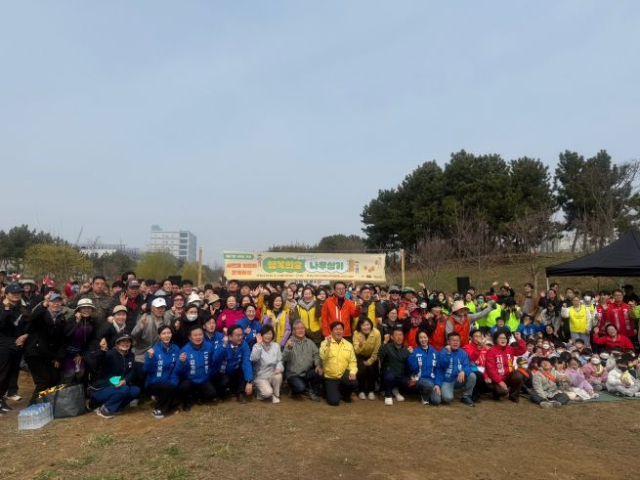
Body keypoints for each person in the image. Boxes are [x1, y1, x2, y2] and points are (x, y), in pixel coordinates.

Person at [22, 291, 67, 404]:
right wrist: (43, 304)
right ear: (48, 303)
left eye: (58, 302)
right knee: (43, 379)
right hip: (34, 352)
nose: (56, 304)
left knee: (55, 378)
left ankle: (47, 401)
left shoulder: (61, 318)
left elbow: (62, 340)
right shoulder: (41, 314)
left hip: (48, 354)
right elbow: (32, 317)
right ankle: (33, 404)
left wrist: (58, 357)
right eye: (53, 301)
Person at [90, 333, 141, 419]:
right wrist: (102, 350)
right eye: (122, 341)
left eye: (128, 341)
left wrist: (124, 381)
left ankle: (117, 408)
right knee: (124, 390)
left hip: (120, 386)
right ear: (117, 343)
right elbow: (97, 362)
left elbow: (132, 372)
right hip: (102, 388)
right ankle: (104, 409)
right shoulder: (109, 354)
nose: (125, 343)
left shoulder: (131, 355)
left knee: (136, 390)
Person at [131, 298, 172, 389]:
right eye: (158, 308)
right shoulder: (145, 319)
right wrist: (141, 326)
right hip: (142, 353)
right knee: (141, 372)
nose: (161, 310)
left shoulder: (167, 321)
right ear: (152, 308)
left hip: (159, 353)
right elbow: (133, 336)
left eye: (163, 307)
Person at [144, 325, 182, 418]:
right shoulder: (153, 350)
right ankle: (158, 410)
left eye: (169, 333)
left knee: (177, 392)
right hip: (154, 383)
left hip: (170, 381)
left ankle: (164, 401)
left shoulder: (176, 348)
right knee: (168, 388)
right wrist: (150, 358)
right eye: (164, 333)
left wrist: (174, 382)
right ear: (159, 336)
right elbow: (146, 370)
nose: (167, 335)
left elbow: (177, 369)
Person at [178, 325, 219, 410]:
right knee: (183, 388)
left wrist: (210, 374)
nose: (198, 337)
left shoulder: (209, 347)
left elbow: (213, 362)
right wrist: (182, 362)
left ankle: (199, 397)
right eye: (195, 335)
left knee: (212, 394)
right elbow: (180, 370)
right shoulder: (185, 350)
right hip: (190, 379)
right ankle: (187, 401)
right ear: (190, 337)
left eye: (200, 334)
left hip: (204, 379)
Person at [319, 322, 358, 406]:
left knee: (353, 383)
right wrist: (328, 345)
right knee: (334, 402)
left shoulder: (348, 345)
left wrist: (352, 372)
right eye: (336, 329)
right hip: (331, 377)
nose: (339, 331)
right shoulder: (325, 343)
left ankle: (345, 394)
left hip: (343, 375)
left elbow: (353, 361)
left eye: (340, 329)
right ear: (331, 331)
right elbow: (323, 357)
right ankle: (328, 389)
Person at [212, 325, 254, 403]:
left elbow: (246, 361)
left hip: (234, 371)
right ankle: (220, 394)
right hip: (221, 373)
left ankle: (240, 393)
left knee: (243, 370)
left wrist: (249, 381)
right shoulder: (223, 344)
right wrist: (223, 346)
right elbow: (215, 359)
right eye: (237, 335)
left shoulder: (244, 344)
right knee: (224, 382)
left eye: (241, 335)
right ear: (230, 337)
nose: (240, 337)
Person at [282, 320, 322, 401]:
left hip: (306, 373)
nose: (300, 330)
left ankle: (312, 391)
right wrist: (289, 348)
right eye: (298, 328)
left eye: (302, 328)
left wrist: (317, 365)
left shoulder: (310, 342)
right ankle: (294, 389)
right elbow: (284, 358)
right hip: (293, 375)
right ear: (294, 331)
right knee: (300, 387)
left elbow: (316, 354)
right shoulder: (290, 342)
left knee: (318, 372)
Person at [485, 328, 527, 402]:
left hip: (508, 376)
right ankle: (495, 391)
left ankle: (513, 395)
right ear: (496, 340)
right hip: (497, 378)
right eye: (500, 338)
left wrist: (519, 339)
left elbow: (522, 350)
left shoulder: (510, 349)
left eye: (504, 338)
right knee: (503, 392)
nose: (503, 340)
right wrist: (499, 381)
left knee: (518, 375)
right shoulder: (491, 351)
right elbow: (491, 369)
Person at [436, 332, 476, 407]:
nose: (455, 342)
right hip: (447, 380)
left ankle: (466, 396)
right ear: (448, 342)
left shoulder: (463, 353)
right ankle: (444, 390)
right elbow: (442, 366)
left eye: (457, 340)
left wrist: (463, 371)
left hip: (458, 379)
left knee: (472, 376)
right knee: (447, 398)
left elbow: (467, 366)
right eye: (453, 340)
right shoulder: (443, 352)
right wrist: (448, 354)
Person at [63, 298, 97, 384]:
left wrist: (81, 354)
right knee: (69, 374)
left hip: (81, 352)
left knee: (80, 374)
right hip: (67, 352)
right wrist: (77, 322)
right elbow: (66, 335)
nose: (86, 310)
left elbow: (92, 340)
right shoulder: (71, 320)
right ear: (79, 310)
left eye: (89, 308)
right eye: (84, 308)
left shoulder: (93, 321)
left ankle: (78, 390)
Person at [378, 326, 412, 406]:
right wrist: (384, 342)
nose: (399, 337)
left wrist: (411, 376)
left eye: (401, 335)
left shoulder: (406, 348)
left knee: (406, 381)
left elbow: (408, 364)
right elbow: (380, 355)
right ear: (392, 337)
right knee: (389, 376)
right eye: (396, 335)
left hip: (399, 375)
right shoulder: (387, 346)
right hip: (388, 375)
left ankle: (395, 390)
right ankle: (388, 395)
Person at [250, 325, 283, 403]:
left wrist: (278, 368)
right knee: (267, 393)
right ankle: (265, 392)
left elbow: (280, 360)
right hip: (261, 376)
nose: (268, 336)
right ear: (262, 335)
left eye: (270, 333)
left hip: (272, 373)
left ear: (273, 335)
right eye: (266, 334)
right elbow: (253, 359)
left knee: (278, 376)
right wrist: (259, 345)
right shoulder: (256, 346)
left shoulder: (276, 346)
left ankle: (275, 394)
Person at [408, 330, 441, 405]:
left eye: (425, 337)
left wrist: (437, 384)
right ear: (418, 339)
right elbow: (412, 368)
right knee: (429, 385)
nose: (423, 339)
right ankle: (424, 397)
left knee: (436, 400)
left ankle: (425, 392)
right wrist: (411, 355)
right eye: (421, 338)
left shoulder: (435, 352)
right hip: (419, 380)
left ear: (428, 338)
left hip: (432, 381)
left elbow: (438, 370)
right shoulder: (415, 351)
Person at [352, 317, 381, 400]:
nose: (366, 327)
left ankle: (371, 390)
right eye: (363, 325)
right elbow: (356, 351)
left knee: (371, 369)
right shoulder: (356, 333)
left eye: (368, 324)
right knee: (361, 369)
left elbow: (377, 350)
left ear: (371, 325)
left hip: (372, 355)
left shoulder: (376, 333)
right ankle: (361, 390)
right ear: (360, 326)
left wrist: (370, 361)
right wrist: (360, 345)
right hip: (360, 355)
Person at [463, 329, 491, 403]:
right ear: (471, 338)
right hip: (471, 369)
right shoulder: (467, 348)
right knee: (479, 373)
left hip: (484, 371)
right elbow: (471, 359)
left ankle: (482, 391)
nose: (478, 338)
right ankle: (474, 394)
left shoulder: (485, 348)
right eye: (476, 336)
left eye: (480, 336)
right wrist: (478, 349)